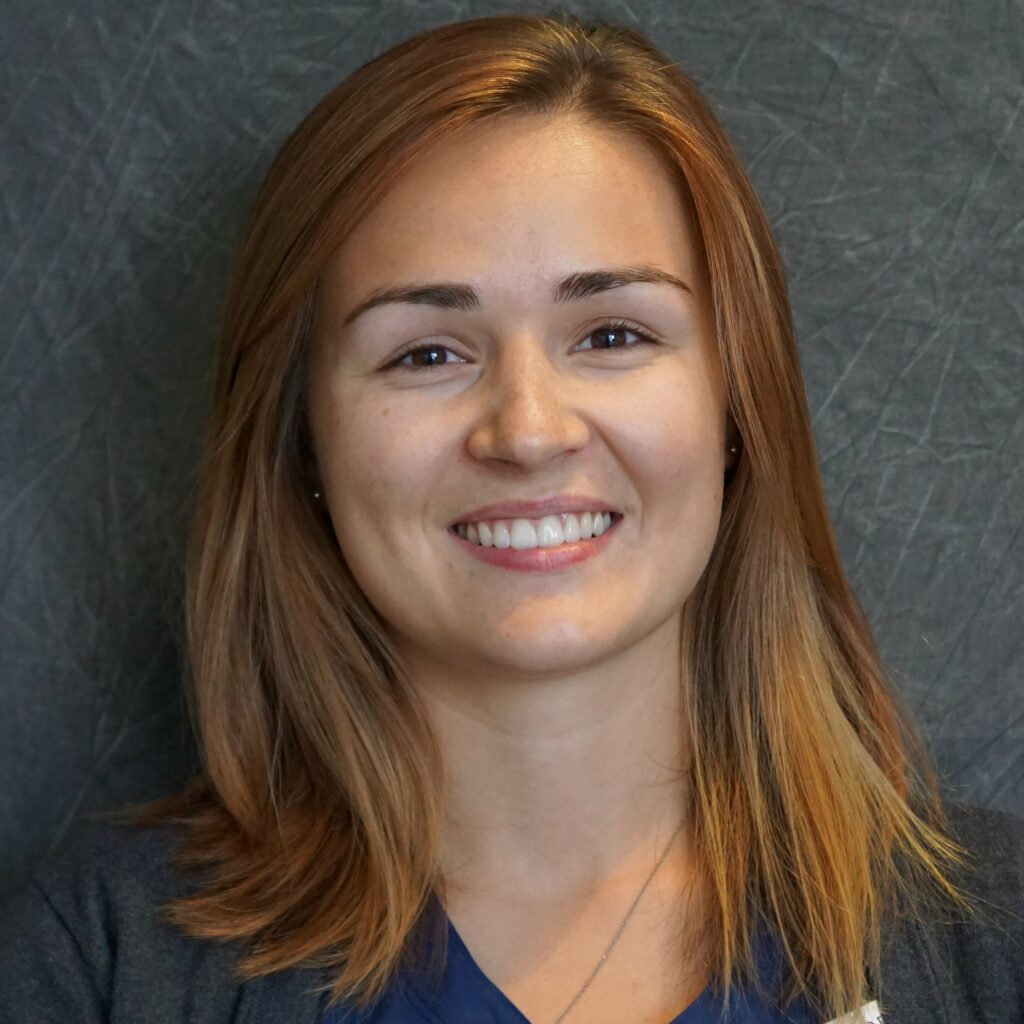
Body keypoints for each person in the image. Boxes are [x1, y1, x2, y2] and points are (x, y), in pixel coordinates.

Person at [0, 11, 1021, 1024]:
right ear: (302, 441)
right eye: (426, 353)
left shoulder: (999, 944)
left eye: (611, 334)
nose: (529, 431)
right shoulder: (96, 962)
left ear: (736, 402)